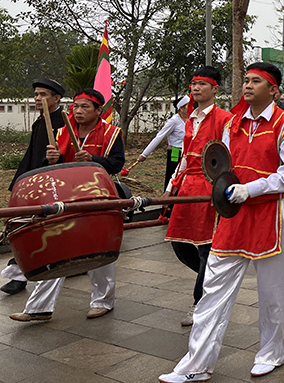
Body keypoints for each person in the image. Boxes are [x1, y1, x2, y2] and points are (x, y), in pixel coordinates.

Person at [159, 62, 284, 382]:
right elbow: (225, 166)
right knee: (212, 290)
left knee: (273, 294)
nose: (247, 86)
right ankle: (196, 364)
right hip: (234, 216)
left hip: (271, 215)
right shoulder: (233, 125)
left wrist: (249, 189)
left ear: (274, 90)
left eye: (256, 81)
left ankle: (271, 353)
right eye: (246, 81)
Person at [10, 88, 124, 322]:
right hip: (63, 198)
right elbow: (52, 166)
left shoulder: (112, 133)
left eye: (85, 107)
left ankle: (102, 301)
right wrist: (51, 159)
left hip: (96, 197)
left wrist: (94, 159)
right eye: (76, 106)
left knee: (98, 250)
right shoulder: (62, 132)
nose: (79, 111)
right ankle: (38, 308)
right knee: (54, 248)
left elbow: (116, 164)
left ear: (98, 110)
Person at [164, 67, 232, 327]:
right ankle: (214, 281)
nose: (196, 88)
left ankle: (198, 302)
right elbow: (184, 156)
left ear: (215, 89)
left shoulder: (224, 118)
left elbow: (227, 157)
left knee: (205, 248)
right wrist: (171, 186)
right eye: (194, 84)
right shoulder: (189, 119)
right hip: (187, 186)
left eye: (203, 84)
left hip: (209, 186)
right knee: (179, 244)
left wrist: (223, 190)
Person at [1, 78, 66, 296]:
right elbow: (32, 156)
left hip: (51, 187)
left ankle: (19, 275)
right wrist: (20, 183)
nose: (38, 98)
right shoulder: (40, 122)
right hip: (33, 184)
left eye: (43, 94)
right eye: (36, 94)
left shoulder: (62, 124)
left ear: (56, 98)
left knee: (33, 230)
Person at [139, 96, 190, 190]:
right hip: (175, 152)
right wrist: (144, 154)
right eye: (188, 106)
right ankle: (168, 201)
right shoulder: (174, 121)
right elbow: (160, 136)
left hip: (187, 154)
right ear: (181, 108)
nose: (192, 108)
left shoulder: (191, 120)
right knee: (172, 177)